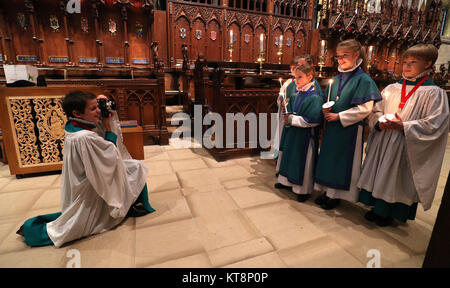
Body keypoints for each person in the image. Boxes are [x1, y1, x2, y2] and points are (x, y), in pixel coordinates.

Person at [16, 91, 155, 248]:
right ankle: (34, 231)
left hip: (89, 175)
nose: (98, 111)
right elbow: (109, 156)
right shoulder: (84, 137)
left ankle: (131, 204)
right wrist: (108, 128)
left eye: (97, 106)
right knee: (79, 224)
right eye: (93, 108)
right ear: (77, 113)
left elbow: (101, 146)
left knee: (135, 167)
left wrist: (104, 109)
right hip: (91, 185)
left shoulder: (74, 125)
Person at [357, 44, 449, 226]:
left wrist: (405, 126)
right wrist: (379, 121)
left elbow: (436, 123)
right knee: (380, 172)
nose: (406, 66)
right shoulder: (391, 88)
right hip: (384, 139)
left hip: (405, 144)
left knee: (396, 177)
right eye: (405, 62)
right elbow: (376, 109)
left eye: (413, 62)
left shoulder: (434, 93)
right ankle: (377, 207)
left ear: (428, 64)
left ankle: (390, 212)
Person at [314, 39, 382, 210]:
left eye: (345, 56)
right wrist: (325, 110)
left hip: (349, 128)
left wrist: (340, 117)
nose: (341, 60)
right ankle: (327, 192)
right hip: (332, 126)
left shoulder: (363, 80)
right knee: (329, 159)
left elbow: (365, 109)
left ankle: (336, 196)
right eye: (338, 57)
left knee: (342, 161)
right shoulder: (337, 78)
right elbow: (329, 99)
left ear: (356, 55)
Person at [275, 65, 323, 202]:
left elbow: (313, 120)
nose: (296, 80)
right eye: (295, 77)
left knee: (303, 161)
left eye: (300, 77)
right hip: (293, 133)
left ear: (309, 77)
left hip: (305, 136)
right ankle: (286, 182)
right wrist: (287, 112)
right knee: (290, 157)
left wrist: (291, 119)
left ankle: (303, 190)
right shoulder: (297, 94)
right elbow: (291, 112)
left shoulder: (315, 97)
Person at [273, 55, 323, 162]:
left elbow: (313, 117)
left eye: (301, 66)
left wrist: (292, 119)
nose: (297, 69)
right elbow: (287, 101)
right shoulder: (293, 85)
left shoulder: (314, 92)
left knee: (301, 161)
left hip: (304, 134)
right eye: (296, 67)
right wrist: (283, 104)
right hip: (292, 128)